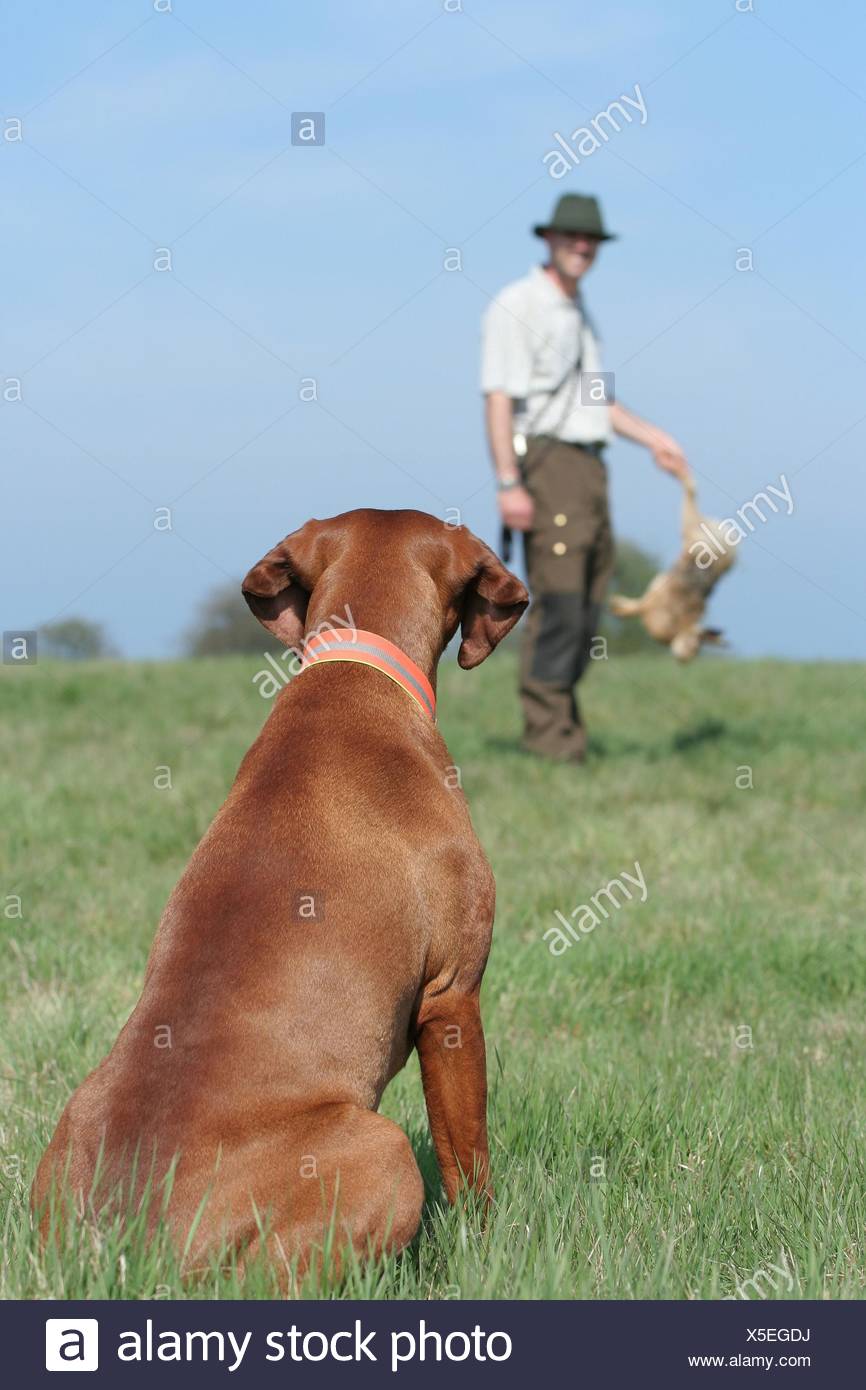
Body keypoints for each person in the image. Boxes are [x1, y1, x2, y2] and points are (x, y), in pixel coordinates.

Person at [480, 193, 692, 764]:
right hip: (547, 464)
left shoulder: (579, 312)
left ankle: (564, 729)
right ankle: (549, 742)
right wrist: (508, 483)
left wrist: (654, 439)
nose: (582, 246)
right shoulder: (516, 304)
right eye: (572, 236)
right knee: (563, 600)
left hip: (589, 466)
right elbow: (498, 398)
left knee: (591, 598)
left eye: (591, 239)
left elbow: (596, 400)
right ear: (548, 239)